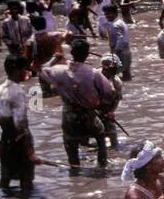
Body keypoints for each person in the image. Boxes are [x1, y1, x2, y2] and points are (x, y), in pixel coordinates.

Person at [42, 36, 115, 172]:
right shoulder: (93, 73)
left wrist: (55, 58)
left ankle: (74, 171)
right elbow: (109, 92)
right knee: (100, 134)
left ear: (71, 53)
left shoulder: (59, 70)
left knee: (70, 141)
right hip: (88, 115)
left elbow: (43, 71)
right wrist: (104, 109)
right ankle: (102, 166)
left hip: (68, 114)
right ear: (87, 54)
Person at [0, 56, 38, 196]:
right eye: (24, 69)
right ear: (17, 71)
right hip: (19, 142)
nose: (26, 72)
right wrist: (30, 152)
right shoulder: (18, 92)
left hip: (5, 140)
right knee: (26, 182)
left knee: (5, 179)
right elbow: (20, 124)